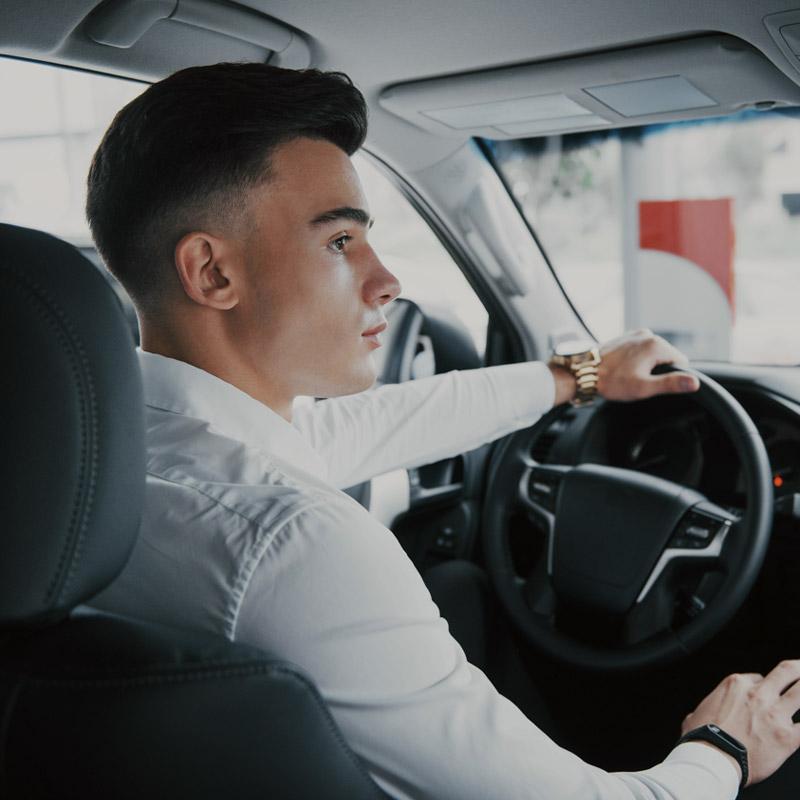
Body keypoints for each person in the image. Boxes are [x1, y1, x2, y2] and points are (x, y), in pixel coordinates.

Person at [85, 62, 800, 799]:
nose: (387, 280)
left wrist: (577, 376)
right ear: (211, 273)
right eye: (340, 242)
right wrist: (724, 748)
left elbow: (367, 425)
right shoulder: (298, 544)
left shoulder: (104, 450)